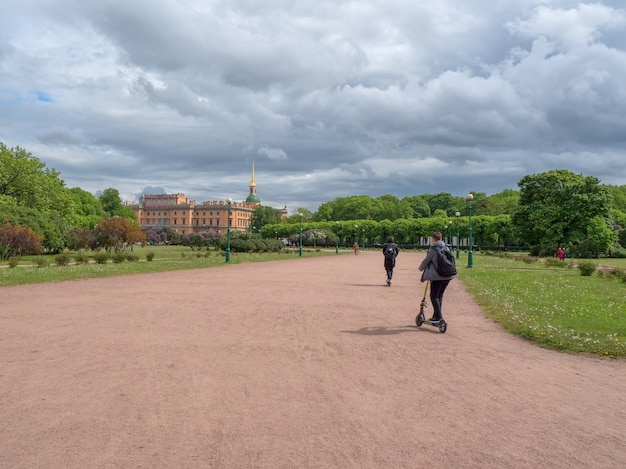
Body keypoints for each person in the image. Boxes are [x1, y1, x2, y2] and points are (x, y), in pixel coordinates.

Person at [418, 231, 457, 323]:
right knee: (439, 296)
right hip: (448, 275)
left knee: (434, 296)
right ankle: (436, 316)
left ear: (433, 239)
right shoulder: (446, 248)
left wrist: (420, 268)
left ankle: (439, 317)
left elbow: (426, 260)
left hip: (438, 276)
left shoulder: (433, 249)